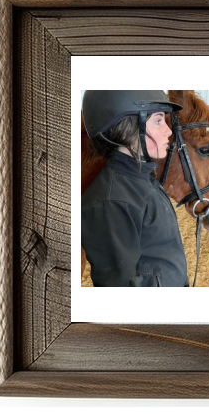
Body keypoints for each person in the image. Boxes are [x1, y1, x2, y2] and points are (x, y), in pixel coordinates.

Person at [81, 90, 189, 287]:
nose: (169, 131)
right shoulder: (110, 201)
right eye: (158, 121)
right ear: (126, 127)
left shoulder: (144, 179)